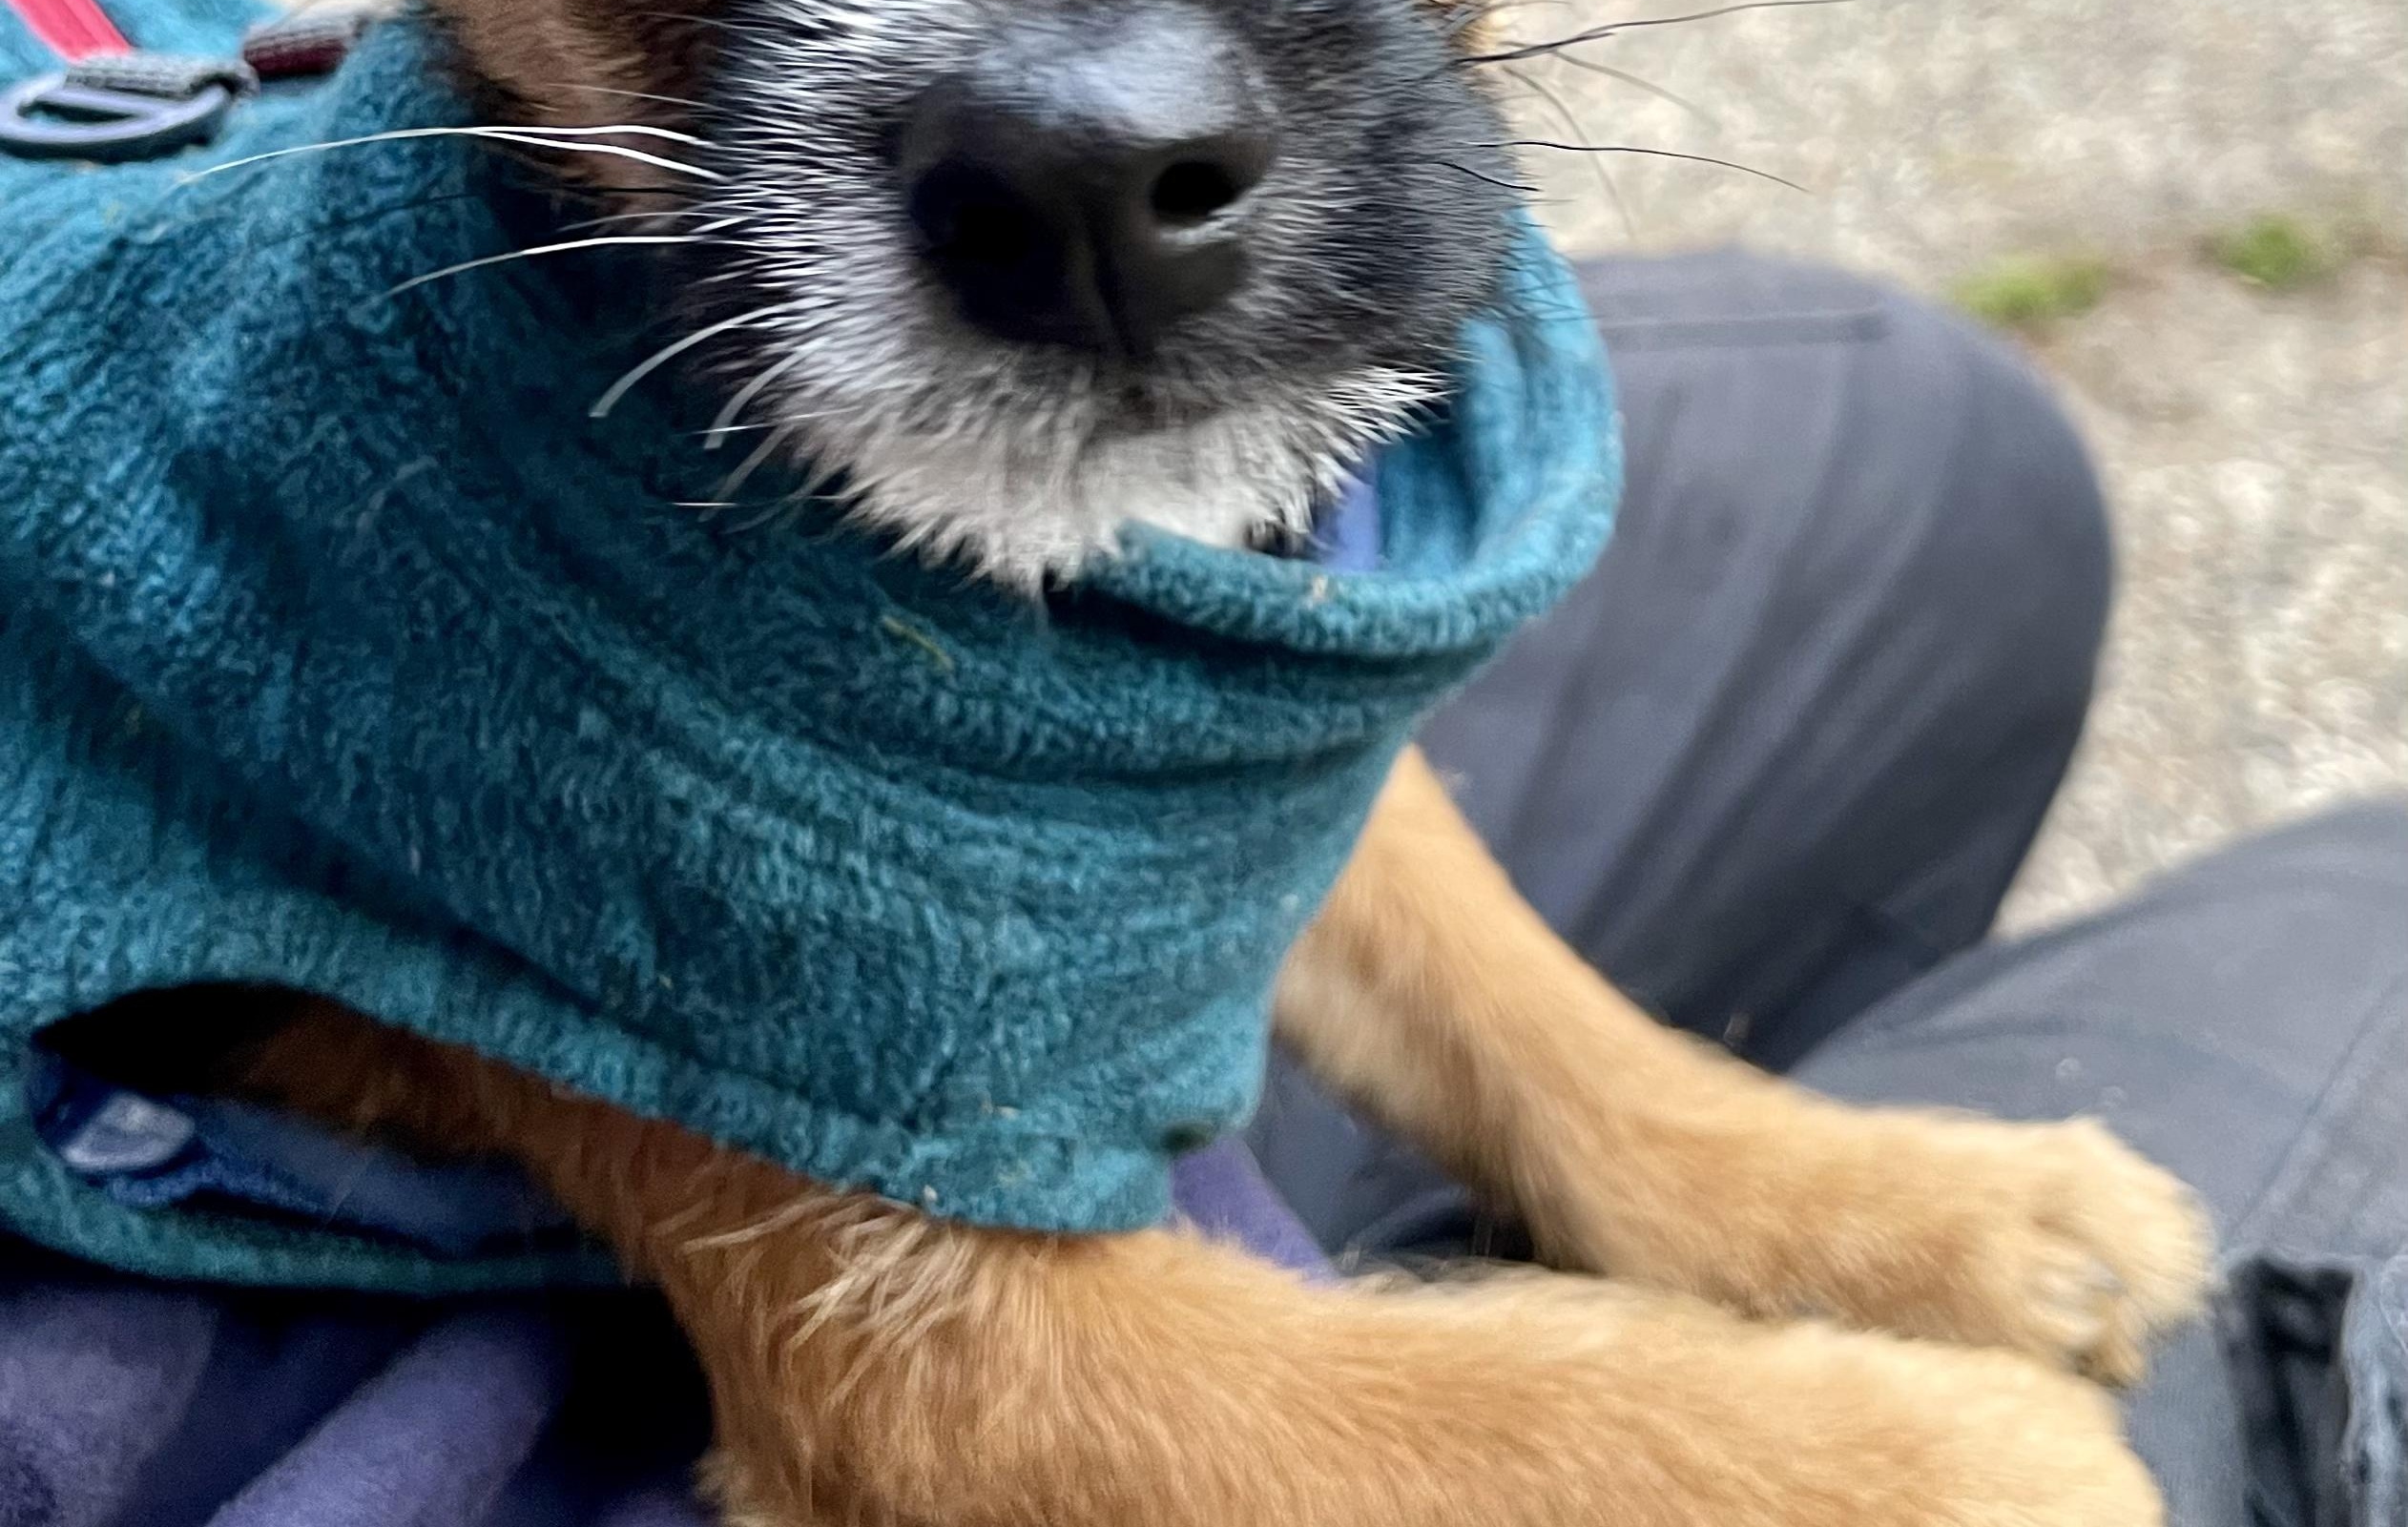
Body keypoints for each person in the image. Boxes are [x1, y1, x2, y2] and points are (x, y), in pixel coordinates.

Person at [2, 251, 2399, 1525]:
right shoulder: (476, 582)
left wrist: (1655, 1146)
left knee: (1918, 456)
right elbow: (940, 1417)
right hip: (294, 1386)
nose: (1096, 78)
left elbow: (1174, 694)